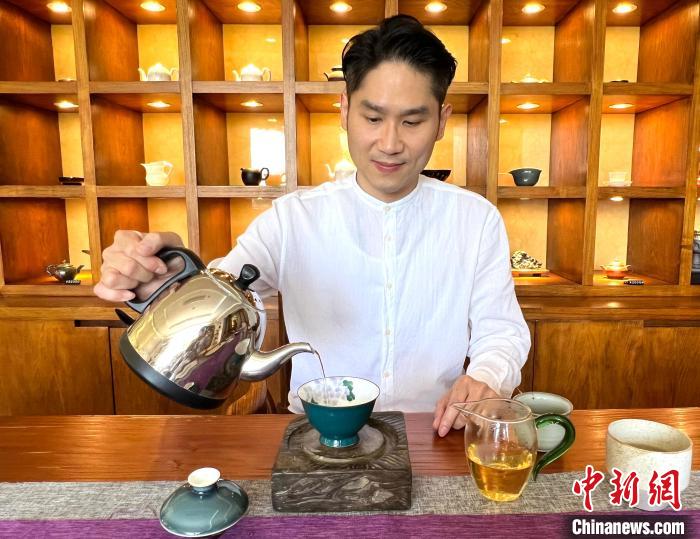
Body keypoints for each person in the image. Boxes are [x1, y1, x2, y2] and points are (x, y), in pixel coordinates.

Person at [94, 15, 530, 437]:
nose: (390, 143)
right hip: (316, 434)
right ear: (344, 110)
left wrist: (486, 377)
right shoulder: (292, 218)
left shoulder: (475, 219)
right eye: (372, 118)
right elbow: (230, 301)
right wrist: (164, 282)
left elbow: (501, 330)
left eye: (412, 121)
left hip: (434, 429)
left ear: (442, 121)